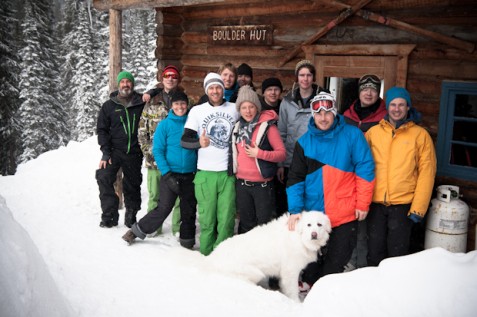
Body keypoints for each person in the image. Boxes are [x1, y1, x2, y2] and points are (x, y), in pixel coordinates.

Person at [286, 91, 375, 289]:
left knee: (338, 258)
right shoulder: (304, 142)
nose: (323, 118)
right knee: (311, 258)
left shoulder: (352, 135)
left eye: (328, 112)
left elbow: (365, 169)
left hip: (345, 211)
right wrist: (295, 210)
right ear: (313, 115)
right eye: (318, 113)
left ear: (334, 113)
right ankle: (310, 285)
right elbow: (295, 178)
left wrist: (363, 203)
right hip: (314, 212)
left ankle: (325, 291)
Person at [365, 86, 437, 266]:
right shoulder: (374, 133)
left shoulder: (420, 136)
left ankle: (396, 291)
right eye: (393, 104)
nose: (397, 109)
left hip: (403, 206)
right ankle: (375, 291)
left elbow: (426, 174)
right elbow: (361, 166)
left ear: (408, 108)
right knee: (374, 253)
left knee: (397, 256)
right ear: (387, 107)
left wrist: (418, 209)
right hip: (375, 205)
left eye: (401, 105)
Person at [122, 91, 198, 248]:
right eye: (176, 104)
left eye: (183, 103)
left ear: (187, 105)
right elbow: (158, 150)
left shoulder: (193, 123)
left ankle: (187, 241)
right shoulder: (165, 125)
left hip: (190, 175)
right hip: (170, 173)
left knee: (189, 209)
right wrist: (167, 174)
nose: (180, 107)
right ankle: (136, 231)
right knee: (163, 208)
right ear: (171, 106)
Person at [181, 72, 239, 255]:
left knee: (227, 220)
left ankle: (222, 256)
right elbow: (184, 140)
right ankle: (206, 255)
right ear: (207, 90)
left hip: (228, 173)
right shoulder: (197, 111)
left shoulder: (234, 108)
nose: (215, 91)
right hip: (205, 173)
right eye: (211, 88)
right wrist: (199, 143)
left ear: (223, 89)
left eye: (218, 87)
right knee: (207, 219)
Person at [342, 74, 387, 270]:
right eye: (365, 89)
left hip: (375, 176)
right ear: (359, 91)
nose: (369, 93)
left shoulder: (386, 116)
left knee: (371, 226)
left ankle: (367, 266)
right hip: (348, 177)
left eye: (373, 89)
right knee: (351, 222)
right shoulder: (347, 115)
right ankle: (350, 261)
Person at [231, 85, 286, 233]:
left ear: (257, 107)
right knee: (246, 225)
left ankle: (264, 256)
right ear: (239, 110)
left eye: (251, 107)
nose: (248, 111)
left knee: (264, 227)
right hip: (242, 184)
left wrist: (260, 153)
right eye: (244, 108)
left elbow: (281, 154)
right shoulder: (237, 128)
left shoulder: (268, 127)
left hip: (262, 186)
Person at [277, 60, 327, 217]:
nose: (305, 79)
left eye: (309, 75)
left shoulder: (324, 99)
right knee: (292, 201)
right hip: (292, 160)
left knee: (313, 201)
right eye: (302, 75)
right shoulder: (287, 101)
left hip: (315, 159)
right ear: (297, 78)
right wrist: (280, 164)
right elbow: (282, 133)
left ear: (313, 77)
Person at [137, 65, 182, 236]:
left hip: (176, 161)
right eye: (167, 76)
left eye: (174, 76)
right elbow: (142, 131)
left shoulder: (184, 102)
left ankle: (178, 228)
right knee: (155, 195)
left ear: (178, 80)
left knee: (178, 197)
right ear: (162, 79)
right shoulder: (152, 102)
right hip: (155, 161)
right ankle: (153, 227)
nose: (170, 79)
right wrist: (150, 153)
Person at [96, 70, 144, 228]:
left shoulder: (140, 102)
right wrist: (105, 152)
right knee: (103, 176)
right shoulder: (109, 106)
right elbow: (102, 130)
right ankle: (109, 213)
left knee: (133, 183)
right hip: (114, 151)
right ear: (118, 84)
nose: (125, 84)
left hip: (134, 151)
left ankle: (131, 213)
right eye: (122, 81)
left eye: (128, 81)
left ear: (132, 84)